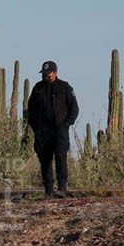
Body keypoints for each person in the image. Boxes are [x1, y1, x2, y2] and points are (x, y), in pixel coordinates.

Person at [27, 60, 79, 198]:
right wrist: (35, 127)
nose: (45, 77)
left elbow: (74, 108)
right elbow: (30, 109)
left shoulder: (65, 87)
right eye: (43, 74)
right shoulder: (37, 88)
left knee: (61, 157)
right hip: (43, 131)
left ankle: (62, 189)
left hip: (60, 129)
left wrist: (67, 124)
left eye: (48, 74)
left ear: (55, 73)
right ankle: (48, 191)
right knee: (45, 160)